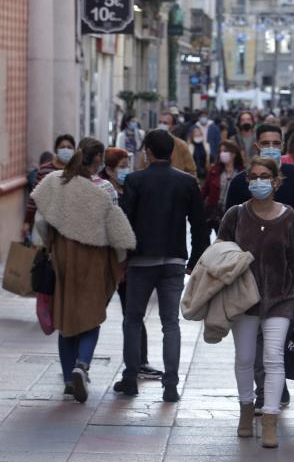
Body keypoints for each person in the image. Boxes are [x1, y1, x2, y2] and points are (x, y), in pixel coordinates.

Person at [30, 138, 136, 403]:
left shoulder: (56, 181)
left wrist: (45, 246)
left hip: (63, 256)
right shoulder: (105, 189)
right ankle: (83, 365)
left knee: (65, 316)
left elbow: (41, 223)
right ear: (99, 159)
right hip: (95, 257)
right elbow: (115, 225)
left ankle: (68, 379)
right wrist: (121, 258)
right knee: (92, 314)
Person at [218, 157, 294, 447]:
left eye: (264, 176)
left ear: (275, 181)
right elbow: (219, 254)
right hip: (242, 300)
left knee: (273, 358)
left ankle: (270, 418)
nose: (259, 181)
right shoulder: (236, 215)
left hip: (280, 300)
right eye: (253, 177)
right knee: (245, 358)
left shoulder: (290, 217)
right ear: (248, 182)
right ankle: (247, 410)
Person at [116, 129, 209, 402]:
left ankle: (131, 378)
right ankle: (170, 384)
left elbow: (125, 223)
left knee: (133, 319)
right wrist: (195, 259)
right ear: (171, 151)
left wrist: (122, 259)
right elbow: (199, 225)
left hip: (141, 261)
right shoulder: (186, 182)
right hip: (174, 260)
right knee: (170, 323)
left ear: (147, 151)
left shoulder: (135, 180)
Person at [100, 148, 164, 380]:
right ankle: (81, 359)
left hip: (130, 261)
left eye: (127, 164)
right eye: (121, 165)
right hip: (108, 262)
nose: (126, 169)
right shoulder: (102, 190)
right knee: (95, 309)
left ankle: (140, 361)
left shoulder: (134, 186)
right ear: (109, 169)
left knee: (133, 313)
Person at [225, 125, 294, 214]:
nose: (271, 148)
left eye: (276, 143)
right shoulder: (239, 181)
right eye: (265, 143)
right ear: (256, 147)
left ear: (282, 146)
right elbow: (230, 220)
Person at [22, 134, 76, 239]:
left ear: (74, 150)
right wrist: (27, 222)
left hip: (70, 224)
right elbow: (34, 197)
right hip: (46, 223)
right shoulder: (44, 170)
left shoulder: (76, 171)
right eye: (62, 147)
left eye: (69, 147)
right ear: (55, 150)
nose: (66, 150)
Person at [202, 140, 245, 236]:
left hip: (234, 213)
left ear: (234, 154)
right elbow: (205, 190)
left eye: (225, 151)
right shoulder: (214, 170)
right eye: (221, 151)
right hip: (215, 213)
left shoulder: (242, 172)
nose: (222, 154)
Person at [135, 112, 197, 177]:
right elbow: (141, 167)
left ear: (173, 127)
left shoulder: (181, 145)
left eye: (165, 123)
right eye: (160, 122)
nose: (161, 125)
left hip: (175, 183)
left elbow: (191, 170)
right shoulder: (149, 142)